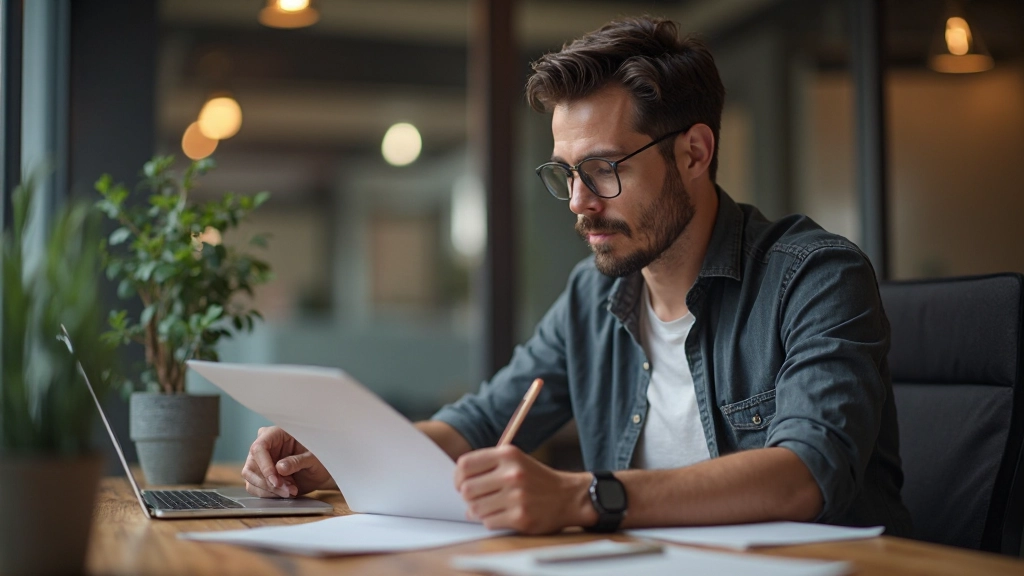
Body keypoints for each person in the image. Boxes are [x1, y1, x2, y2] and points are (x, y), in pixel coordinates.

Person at [242, 16, 912, 537]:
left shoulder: (815, 277)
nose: (579, 201)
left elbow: (804, 475)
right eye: (567, 173)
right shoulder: (594, 295)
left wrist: (582, 495)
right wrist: (336, 454)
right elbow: (476, 423)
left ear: (694, 153)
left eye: (603, 169)